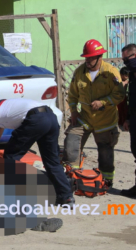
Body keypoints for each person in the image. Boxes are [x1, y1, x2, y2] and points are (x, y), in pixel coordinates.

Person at [0, 88, 75, 208]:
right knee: (52, 161)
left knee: (10, 158)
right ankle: (66, 197)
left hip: (35, 119)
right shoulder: (4, 108)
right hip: (50, 117)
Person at [62, 39, 125, 188]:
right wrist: (73, 112)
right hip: (84, 118)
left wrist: (103, 102)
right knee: (71, 142)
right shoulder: (79, 72)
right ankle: (71, 177)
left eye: (91, 57)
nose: (88, 60)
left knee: (105, 152)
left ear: (99, 57)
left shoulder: (110, 72)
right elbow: (72, 95)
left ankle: (106, 181)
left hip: (105, 121)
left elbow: (119, 94)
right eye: (86, 57)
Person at [120, 44, 136, 197]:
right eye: (124, 60)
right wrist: (129, 119)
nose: (125, 63)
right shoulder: (131, 73)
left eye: (127, 59)